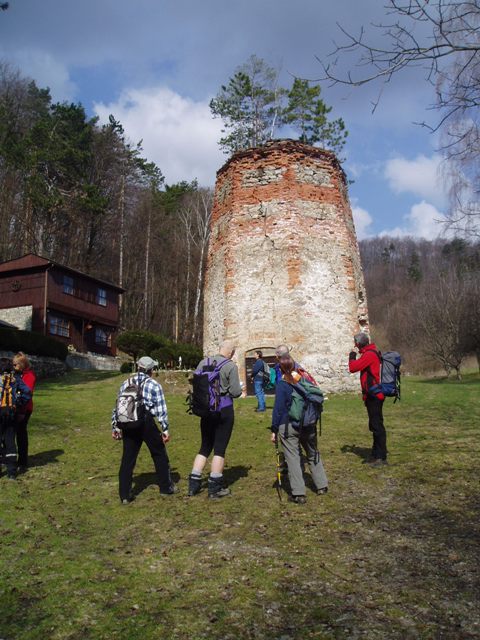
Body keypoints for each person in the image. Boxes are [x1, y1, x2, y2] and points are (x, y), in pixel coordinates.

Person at [112, 356, 175, 504]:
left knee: (128, 459)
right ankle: (166, 487)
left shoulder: (126, 383)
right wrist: (165, 429)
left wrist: (115, 426)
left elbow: (118, 406)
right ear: (150, 370)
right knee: (159, 453)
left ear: (138, 367)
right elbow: (161, 410)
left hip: (128, 422)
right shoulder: (154, 385)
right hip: (146, 422)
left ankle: (125, 495)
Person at [188, 339, 242, 499]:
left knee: (204, 446)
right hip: (223, 410)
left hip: (205, 410)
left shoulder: (203, 362)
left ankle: (194, 483)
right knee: (219, 448)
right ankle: (215, 486)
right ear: (231, 352)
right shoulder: (230, 366)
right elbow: (236, 392)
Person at [270, 354, 328, 504]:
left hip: (289, 425)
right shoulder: (304, 379)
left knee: (293, 457)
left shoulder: (282, 384)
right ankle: (322, 485)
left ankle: (298, 493)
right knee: (312, 452)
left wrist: (274, 429)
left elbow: (278, 409)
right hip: (309, 423)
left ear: (280, 367)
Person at [348, 332, 387, 467]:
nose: (355, 346)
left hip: (374, 395)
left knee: (377, 426)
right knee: (374, 425)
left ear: (359, 344)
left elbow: (353, 368)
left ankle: (381, 457)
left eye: (356, 343)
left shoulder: (369, 354)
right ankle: (375, 454)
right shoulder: (371, 352)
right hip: (373, 394)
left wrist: (352, 357)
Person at [0, 357, 31, 480]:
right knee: (10, 440)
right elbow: (27, 392)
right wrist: (19, 404)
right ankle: (12, 471)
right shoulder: (15, 379)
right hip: (11, 413)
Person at [12, 352, 37, 473]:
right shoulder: (18, 374)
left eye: (15, 364)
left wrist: (21, 411)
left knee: (21, 434)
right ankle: (12, 459)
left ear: (21, 364)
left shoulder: (29, 376)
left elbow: (26, 394)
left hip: (25, 409)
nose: (13, 366)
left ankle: (22, 462)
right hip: (15, 408)